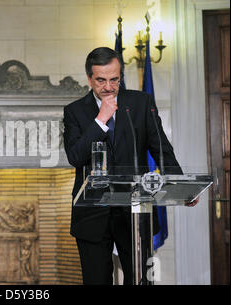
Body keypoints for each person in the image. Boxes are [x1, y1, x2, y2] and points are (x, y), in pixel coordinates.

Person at [63, 47, 197, 285]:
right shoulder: (74, 111)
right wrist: (100, 120)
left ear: (120, 76)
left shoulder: (140, 103)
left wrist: (181, 186)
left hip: (135, 212)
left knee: (140, 281)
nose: (108, 86)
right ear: (89, 79)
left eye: (114, 79)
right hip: (92, 214)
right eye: (101, 80)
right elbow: (75, 156)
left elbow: (161, 149)